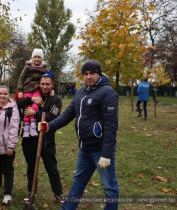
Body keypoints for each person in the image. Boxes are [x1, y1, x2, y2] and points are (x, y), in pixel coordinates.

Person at [38, 59, 119, 210]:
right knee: (78, 182)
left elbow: (111, 125)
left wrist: (106, 154)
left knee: (109, 188)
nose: (88, 77)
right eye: (86, 74)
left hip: (101, 150)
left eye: (92, 73)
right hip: (84, 148)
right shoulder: (81, 92)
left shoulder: (107, 93)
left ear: (99, 74)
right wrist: (49, 126)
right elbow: (68, 114)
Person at [16, 72, 65, 204]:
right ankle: (31, 192)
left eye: (47, 84)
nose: (44, 86)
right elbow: (17, 104)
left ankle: (58, 194)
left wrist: (35, 113)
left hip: (46, 140)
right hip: (29, 139)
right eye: (42, 84)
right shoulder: (32, 94)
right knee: (31, 167)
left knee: (51, 167)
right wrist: (31, 100)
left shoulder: (56, 100)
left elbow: (52, 117)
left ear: (52, 85)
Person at [0, 85, 20, 205]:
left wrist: (11, 146)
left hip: (6, 146)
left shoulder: (12, 109)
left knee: (7, 171)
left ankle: (7, 193)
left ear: (9, 95)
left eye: (5, 94)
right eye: (0, 93)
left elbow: (14, 128)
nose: (2, 96)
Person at [17, 48, 48, 138]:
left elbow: (49, 78)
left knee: (35, 106)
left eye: (39, 57)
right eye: (35, 57)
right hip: (27, 89)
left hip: (37, 90)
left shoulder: (44, 69)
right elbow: (21, 78)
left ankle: (33, 127)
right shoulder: (28, 67)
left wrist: (51, 89)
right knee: (28, 108)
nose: (37, 59)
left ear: (42, 59)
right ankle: (26, 128)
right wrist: (20, 90)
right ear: (32, 58)